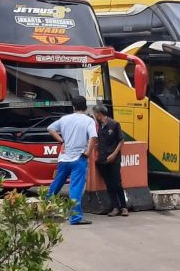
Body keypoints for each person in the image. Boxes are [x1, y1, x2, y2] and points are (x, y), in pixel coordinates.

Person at [47, 95, 98, 225]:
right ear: (85, 107)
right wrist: (87, 153)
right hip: (79, 158)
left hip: (64, 158)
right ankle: (75, 218)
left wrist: (61, 140)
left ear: (73, 107)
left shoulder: (64, 119)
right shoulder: (88, 121)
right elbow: (93, 137)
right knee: (75, 187)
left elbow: (50, 128)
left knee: (56, 185)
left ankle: (45, 211)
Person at [92, 103, 129, 216]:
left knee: (117, 183)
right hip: (102, 159)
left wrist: (114, 154)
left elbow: (121, 140)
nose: (94, 116)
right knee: (108, 184)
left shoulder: (114, 124)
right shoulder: (97, 126)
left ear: (99, 114)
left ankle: (124, 207)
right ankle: (115, 207)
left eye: (95, 114)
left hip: (114, 159)